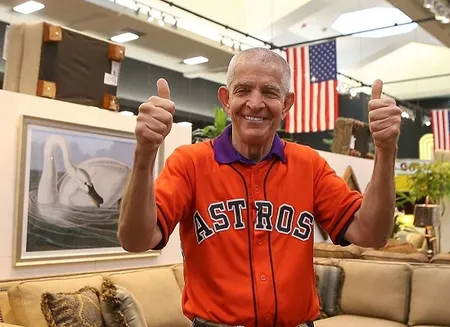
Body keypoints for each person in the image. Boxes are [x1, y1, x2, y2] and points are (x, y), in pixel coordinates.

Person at [118, 48, 401, 327]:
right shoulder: (190, 163)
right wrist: (145, 154)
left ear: (287, 104)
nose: (255, 103)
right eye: (243, 90)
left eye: (269, 92)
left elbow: (371, 233)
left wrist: (386, 150)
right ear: (226, 100)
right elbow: (135, 240)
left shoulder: (308, 165)